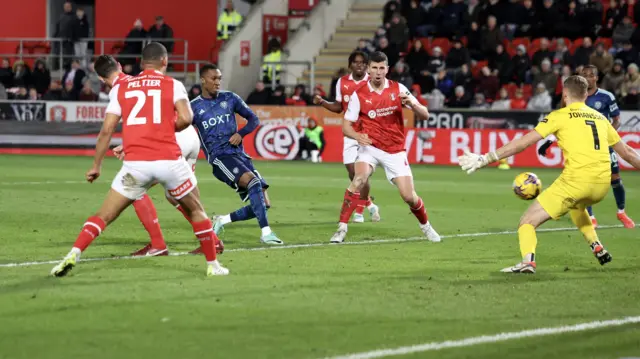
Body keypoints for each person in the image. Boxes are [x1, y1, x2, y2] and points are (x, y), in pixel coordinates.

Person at [50, 44, 229, 277]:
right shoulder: (172, 84)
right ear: (164, 62)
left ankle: (75, 252)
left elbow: (107, 131)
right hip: (177, 149)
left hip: (141, 160)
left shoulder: (122, 89)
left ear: (140, 63)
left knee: (108, 212)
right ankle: (212, 262)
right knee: (193, 206)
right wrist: (159, 131)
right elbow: (186, 117)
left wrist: (97, 165)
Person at [458, 75, 640, 273]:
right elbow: (628, 154)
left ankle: (528, 261)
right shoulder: (601, 118)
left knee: (526, 222)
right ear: (586, 95)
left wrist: (486, 158)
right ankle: (596, 245)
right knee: (577, 205)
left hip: (576, 183)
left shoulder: (559, 116)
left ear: (565, 94)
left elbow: (524, 142)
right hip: (602, 186)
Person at [94, 55, 223, 257]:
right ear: (119, 66)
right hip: (189, 136)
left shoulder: (122, 89)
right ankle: (212, 241)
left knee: (134, 186)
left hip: (171, 138)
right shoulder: (142, 80)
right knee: (177, 196)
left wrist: (130, 145)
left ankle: (158, 243)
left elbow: (142, 125)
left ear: (101, 80)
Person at [329, 51, 441, 244]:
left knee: (409, 196)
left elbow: (426, 115)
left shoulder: (398, 89)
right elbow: (346, 126)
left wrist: (413, 106)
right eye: (374, 68)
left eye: (382, 68)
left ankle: (426, 227)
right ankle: (341, 229)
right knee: (359, 179)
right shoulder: (359, 94)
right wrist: (357, 136)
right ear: (368, 70)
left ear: (387, 70)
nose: (378, 72)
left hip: (395, 150)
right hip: (370, 147)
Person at [191, 64, 283, 245]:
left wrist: (240, 134)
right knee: (254, 182)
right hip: (220, 158)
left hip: (239, 155)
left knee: (264, 204)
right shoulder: (193, 107)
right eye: (213, 78)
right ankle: (266, 233)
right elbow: (178, 128)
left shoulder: (230, 98)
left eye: (219, 78)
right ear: (203, 80)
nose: (218, 82)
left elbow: (253, 119)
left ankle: (222, 220)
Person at [538, 65, 635, 229]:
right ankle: (591, 216)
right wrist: (549, 141)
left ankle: (621, 212)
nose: (587, 78)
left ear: (596, 78)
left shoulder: (606, 96)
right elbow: (563, 122)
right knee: (584, 178)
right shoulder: (574, 98)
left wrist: (608, 137)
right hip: (581, 146)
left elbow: (616, 119)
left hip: (603, 144)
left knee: (616, 179)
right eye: (584, 75)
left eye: (591, 75)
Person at [313, 51, 381, 223]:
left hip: (368, 133)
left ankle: (359, 210)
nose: (359, 65)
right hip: (350, 132)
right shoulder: (342, 82)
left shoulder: (372, 81)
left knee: (362, 173)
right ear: (350, 64)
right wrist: (322, 102)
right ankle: (370, 205)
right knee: (352, 173)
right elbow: (338, 107)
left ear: (366, 65)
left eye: (362, 63)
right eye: (356, 62)